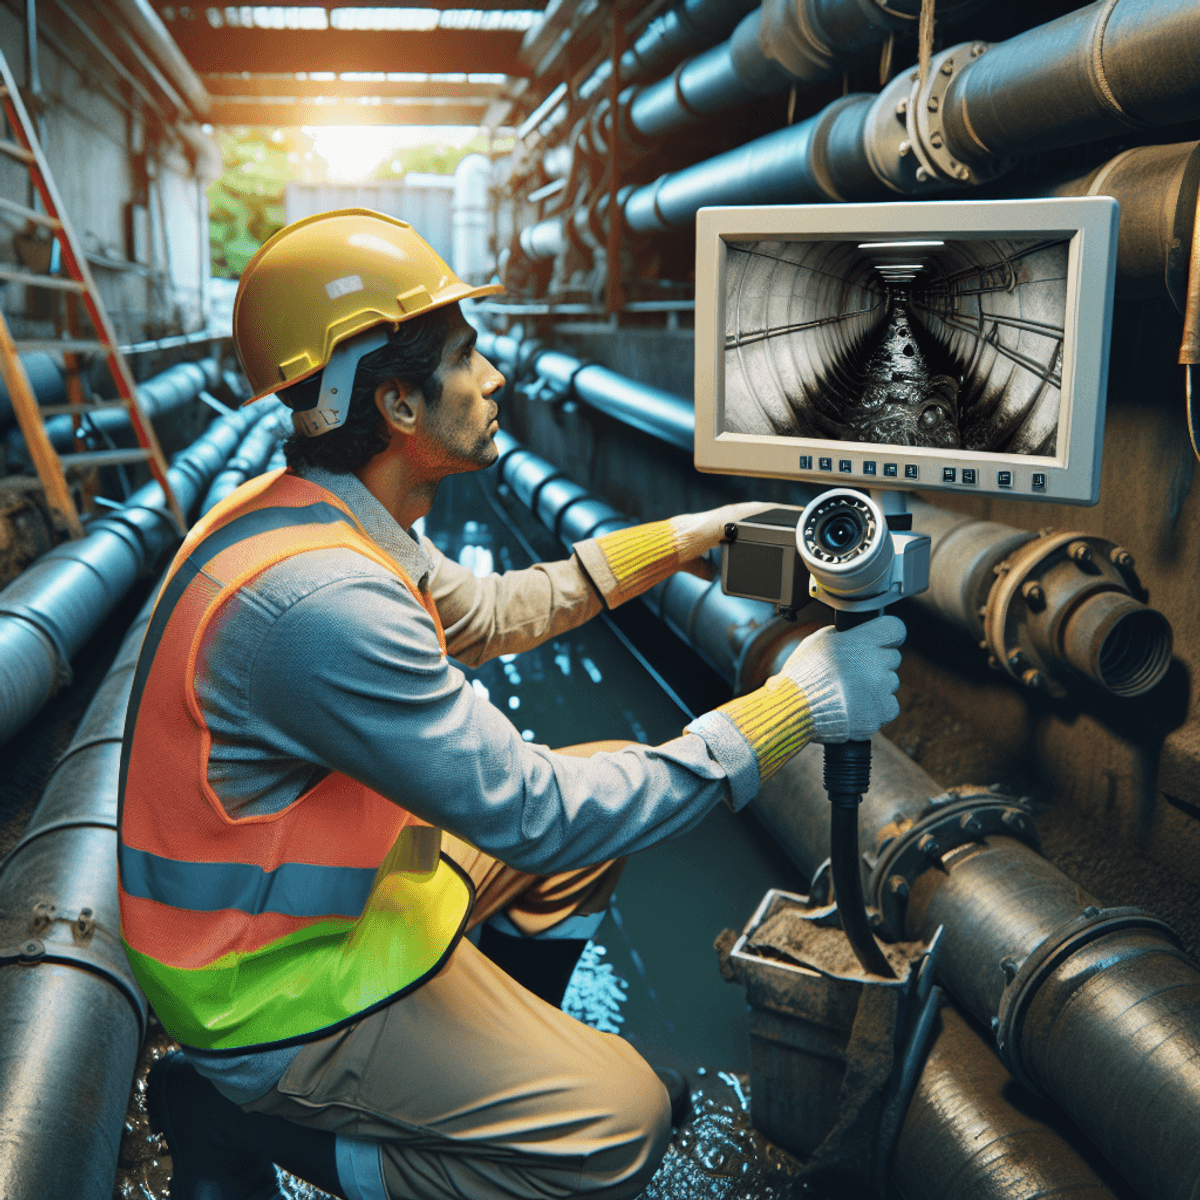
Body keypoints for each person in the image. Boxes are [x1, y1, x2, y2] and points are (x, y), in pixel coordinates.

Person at [119, 209, 906, 1200]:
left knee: (589, 802)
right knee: (621, 1129)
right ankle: (234, 1118)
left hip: (330, 915)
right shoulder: (323, 603)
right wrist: (796, 706)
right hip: (271, 999)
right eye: (467, 355)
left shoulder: (323, 516)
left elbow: (493, 611)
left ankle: (496, 1081)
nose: (497, 377)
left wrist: (693, 536)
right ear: (398, 402)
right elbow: (532, 817)